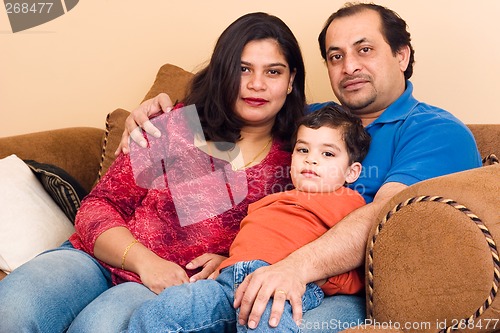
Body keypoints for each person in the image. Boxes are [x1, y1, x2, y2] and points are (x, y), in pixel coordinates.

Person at [118, 3, 482, 331]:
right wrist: (164, 114)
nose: (349, 66)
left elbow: (381, 216)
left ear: (401, 55)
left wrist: (292, 268)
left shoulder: (435, 131)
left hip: (338, 289)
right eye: (335, 56)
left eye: (364, 49)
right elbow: (232, 118)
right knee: (162, 314)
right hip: (253, 267)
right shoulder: (309, 118)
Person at [0, 12, 307, 333]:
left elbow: (289, 236)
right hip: (95, 257)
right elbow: (98, 206)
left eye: (273, 71)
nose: (256, 84)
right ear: (222, 73)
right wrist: (146, 262)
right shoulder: (175, 123)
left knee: (99, 327)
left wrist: (231, 263)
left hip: (168, 288)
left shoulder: (301, 159)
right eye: (243, 69)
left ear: (290, 81)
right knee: (12, 307)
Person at [127, 105, 371, 332]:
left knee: (267, 319)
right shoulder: (269, 200)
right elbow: (256, 243)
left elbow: (356, 259)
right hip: (227, 281)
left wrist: (327, 278)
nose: (311, 159)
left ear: (352, 171)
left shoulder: (348, 202)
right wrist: (228, 260)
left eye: (328, 153)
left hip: (281, 286)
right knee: (159, 311)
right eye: (303, 149)